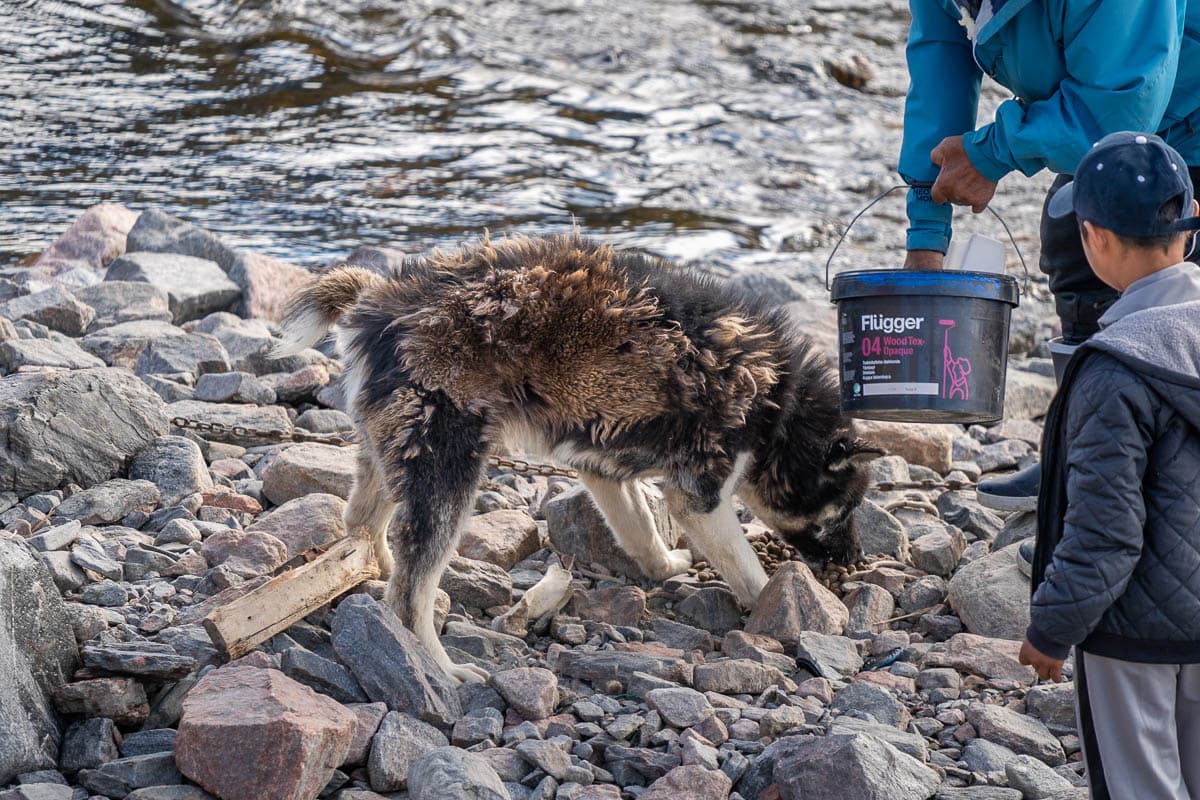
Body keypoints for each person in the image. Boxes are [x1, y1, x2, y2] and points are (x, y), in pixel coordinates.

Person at [899, 0, 1200, 512]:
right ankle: (1082, 454)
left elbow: (1119, 108)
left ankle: (1170, 475)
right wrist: (927, 229)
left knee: (1167, 264)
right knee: (1071, 237)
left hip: (1180, 110)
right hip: (1115, 108)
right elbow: (941, 57)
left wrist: (991, 152)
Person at [1018, 132, 1200, 800]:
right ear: (1192, 218)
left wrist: (1050, 630)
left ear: (1092, 237)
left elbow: (1105, 531)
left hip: (1131, 637)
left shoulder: (1114, 366)